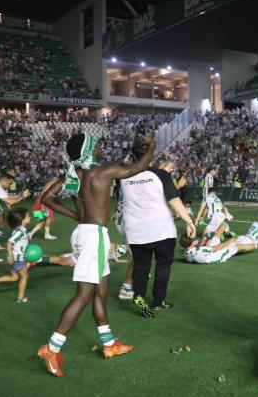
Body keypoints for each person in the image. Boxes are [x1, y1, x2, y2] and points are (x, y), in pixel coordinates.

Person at [36, 133, 155, 378]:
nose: (101, 148)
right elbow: (141, 166)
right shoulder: (101, 172)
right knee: (84, 295)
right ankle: (52, 348)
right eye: (97, 145)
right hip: (94, 237)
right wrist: (152, 145)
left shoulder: (73, 175)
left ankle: (109, 344)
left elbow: (46, 198)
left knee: (100, 291)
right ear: (89, 150)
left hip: (82, 233)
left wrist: (73, 215)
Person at [120, 147, 197, 318]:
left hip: (135, 231)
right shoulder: (160, 174)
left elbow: (143, 181)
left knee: (141, 266)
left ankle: (139, 295)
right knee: (163, 266)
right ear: (151, 156)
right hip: (161, 229)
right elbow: (173, 198)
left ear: (132, 156)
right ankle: (158, 301)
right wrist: (188, 220)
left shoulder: (123, 176)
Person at [0, 207, 32, 303]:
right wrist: (10, 256)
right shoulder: (20, 231)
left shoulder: (21, 229)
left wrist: (26, 240)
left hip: (17, 258)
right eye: (28, 216)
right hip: (18, 259)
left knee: (14, 277)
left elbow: (18, 240)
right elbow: (9, 243)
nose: (30, 217)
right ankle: (20, 298)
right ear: (22, 220)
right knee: (25, 276)